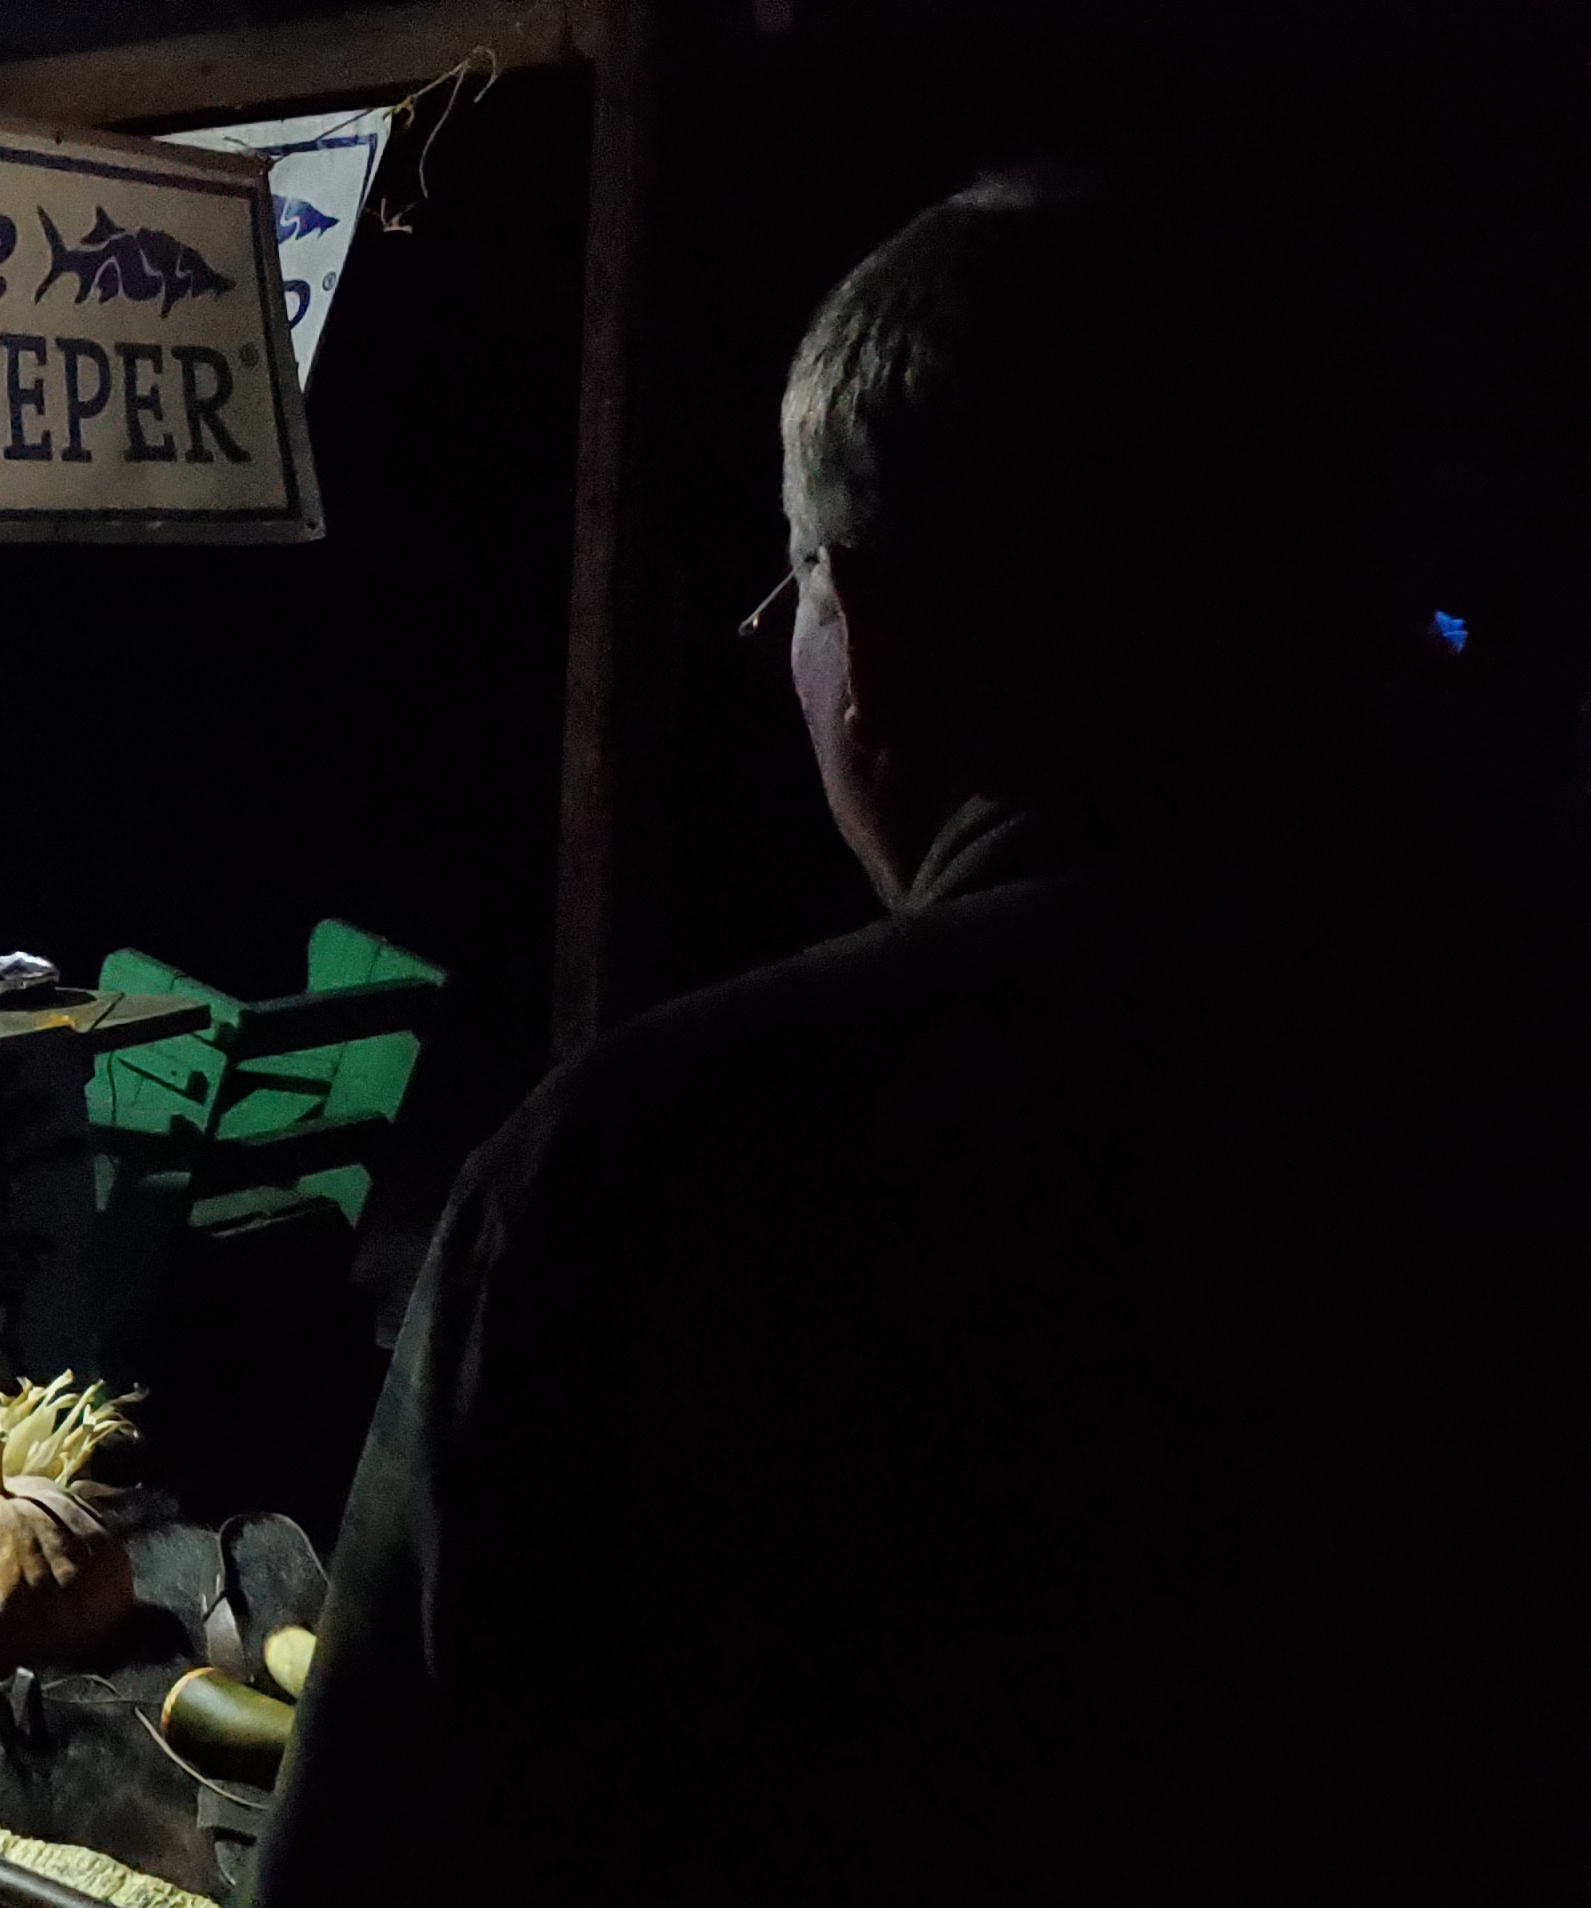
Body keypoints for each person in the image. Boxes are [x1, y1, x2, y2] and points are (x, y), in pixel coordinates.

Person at [254, 171, 1591, 1906]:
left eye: (790, 600)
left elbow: (369, 1859)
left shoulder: (644, 1178)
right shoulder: (1510, 1072)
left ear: (862, 634)